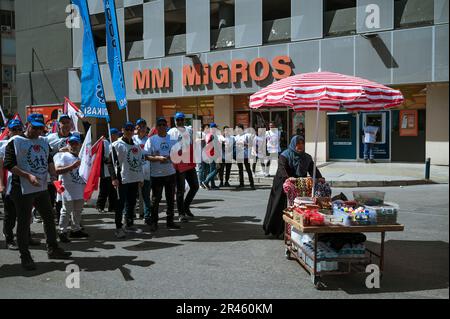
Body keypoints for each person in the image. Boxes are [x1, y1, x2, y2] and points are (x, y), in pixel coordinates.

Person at [3, 113, 72, 270]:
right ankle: (25, 256)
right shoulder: (15, 142)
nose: (38, 131)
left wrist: (54, 173)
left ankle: (53, 248)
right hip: (22, 189)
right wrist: (27, 175)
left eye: (41, 128)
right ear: (27, 125)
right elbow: (8, 164)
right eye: (35, 128)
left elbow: (48, 160)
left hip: (41, 187)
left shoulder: (43, 141)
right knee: (24, 222)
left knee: (49, 217)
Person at [263, 136, 324, 238]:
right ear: (293, 144)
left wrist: (319, 177)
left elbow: (313, 169)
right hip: (283, 182)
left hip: (298, 184)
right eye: (297, 144)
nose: (300, 146)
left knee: (297, 206)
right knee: (280, 206)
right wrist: (287, 178)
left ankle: (294, 230)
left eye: (301, 144)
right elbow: (282, 168)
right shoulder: (285, 155)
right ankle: (276, 230)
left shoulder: (306, 157)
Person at [0, 119, 40, 250]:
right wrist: (1, 184)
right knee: (10, 215)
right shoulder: (3, 145)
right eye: (13, 130)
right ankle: (10, 239)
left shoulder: (26, 142)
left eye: (19, 129)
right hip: (10, 185)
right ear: (9, 131)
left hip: (25, 185)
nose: (17, 132)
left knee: (26, 213)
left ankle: (26, 237)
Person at [108, 121, 144, 239]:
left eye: (131, 129)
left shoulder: (136, 146)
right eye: (126, 129)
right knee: (120, 204)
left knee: (131, 203)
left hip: (134, 178)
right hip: (122, 179)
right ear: (122, 130)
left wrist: (141, 178)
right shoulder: (116, 145)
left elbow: (139, 162)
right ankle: (118, 228)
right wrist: (114, 178)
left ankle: (129, 224)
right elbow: (110, 163)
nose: (129, 131)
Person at [145, 117, 180, 232]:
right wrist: (158, 158)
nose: (161, 127)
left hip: (170, 173)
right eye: (159, 125)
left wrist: (172, 156)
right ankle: (154, 222)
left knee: (171, 199)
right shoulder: (151, 140)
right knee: (155, 200)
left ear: (167, 126)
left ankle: (170, 222)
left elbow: (179, 153)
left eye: (163, 124)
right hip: (157, 175)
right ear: (156, 127)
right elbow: (146, 156)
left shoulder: (172, 139)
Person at [54, 135, 88, 243]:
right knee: (66, 210)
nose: (74, 146)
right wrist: (71, 166)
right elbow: (57, 170)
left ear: (80, 145)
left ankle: (75, 229)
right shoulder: (64, 156)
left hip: (80, 187)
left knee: (78, 210)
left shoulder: (83, 157)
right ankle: (62, 231)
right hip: (68, 188)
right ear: (68, 144)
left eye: (76, 143)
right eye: (71, 143)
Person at [168, 112, 199, 222]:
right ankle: (181, 214)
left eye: (181, 119)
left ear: (184, 120)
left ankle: (186, 206)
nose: (180, 122)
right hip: (178, 163)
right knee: (180, 190)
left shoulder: (189, 130)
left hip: (189, 161)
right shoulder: (171, 132)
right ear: (175, 121)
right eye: (178, 120)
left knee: (195, 186)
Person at [45, 114, 74, 223]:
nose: (66, 125)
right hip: (55, 173)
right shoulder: (49, 138)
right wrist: (58, 152)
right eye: (63, 123)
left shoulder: (74, 137)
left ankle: (69, 218)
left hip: (70, 172)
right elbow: (46, 153)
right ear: (59, 124)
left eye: (68, 122)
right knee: (56, 196)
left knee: (68, 196)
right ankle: (58, 218)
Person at [96, 128, 119, 213]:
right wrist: (109, 160)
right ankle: (100, 206)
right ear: (112, 135)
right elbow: (100, 156)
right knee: (104, 190)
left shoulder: (116, 144)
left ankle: (112, 207)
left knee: (113, 191)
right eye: (116, 135)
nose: (117, 137)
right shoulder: (104, 143)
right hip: (105, 171)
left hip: (114, 171)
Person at [133, 118, 152, 223]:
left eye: (144, 126)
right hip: (134, 172)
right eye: (140, 126)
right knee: (132, 195)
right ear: (137, 127)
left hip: (146, 172)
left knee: (145, 196)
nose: (142, 128)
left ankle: (146, 215)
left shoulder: (149, 140)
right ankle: (130, 215)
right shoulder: (132, 139)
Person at [234, 124, 255, 190]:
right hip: (239, 155)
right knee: (240, 170)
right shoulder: (236, 137)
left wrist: (245, 144)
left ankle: (252, 184)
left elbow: (251, 145)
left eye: (237, 128)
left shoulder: (246, 136)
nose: (236, 130)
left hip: (245, 155)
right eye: (236, 128)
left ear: (241, 129)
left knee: (248, 169)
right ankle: (241, 183)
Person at [201, 122, 220, 190]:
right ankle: (206, 181)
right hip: (213, 154)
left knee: (212, 169)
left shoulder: (208, 135)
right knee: (216, 169)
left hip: (209, 154)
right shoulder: (213, 136)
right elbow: (215, 147)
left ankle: (212, 184)